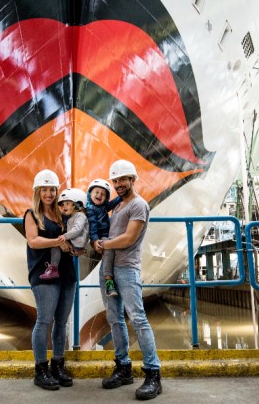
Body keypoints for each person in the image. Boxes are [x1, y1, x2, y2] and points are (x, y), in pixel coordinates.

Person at [94, 160, 162, 400]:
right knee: (115, 319)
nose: (118, 184)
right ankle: (123, 367)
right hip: (109, 270)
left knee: (138, 318)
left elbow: (129, 238)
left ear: (133, 179)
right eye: (115, 180)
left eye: (122, 179)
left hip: (127, 269)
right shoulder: (118, 206)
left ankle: (153, 374)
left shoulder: (138, 205)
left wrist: (103, 244)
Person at [24, 169, 79, 390]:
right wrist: (59, 242)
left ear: (57, 191)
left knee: (62, 322)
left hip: (66, 273)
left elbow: (75, 235)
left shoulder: (63, 214)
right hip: (43, 274)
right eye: (44, 189)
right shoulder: (32, 214)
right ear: (37, 191)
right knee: (44, 321)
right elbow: (33, 241)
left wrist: (76, 248)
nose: (48, 194)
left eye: (52, 190)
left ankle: (57, 365)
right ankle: (41, 370)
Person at [39, 188, 89, 280]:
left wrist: (64, 237)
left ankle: (53, 268)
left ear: (77, 205)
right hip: (74, 243)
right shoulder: (71, 217)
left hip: (76, 243)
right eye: (62, 205)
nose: (64, 207)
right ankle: (53, 268)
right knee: (56, 245)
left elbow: (77, 229)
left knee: (55, 245)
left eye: (67, 203)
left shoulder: (80, 216)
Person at [86, 179, 122, 296]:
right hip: (100, 237)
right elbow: (92, 226)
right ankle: (108, 282)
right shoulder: (90, 209)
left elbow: (112, 204)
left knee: (112, 251)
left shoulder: (103, 207)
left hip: (107, 236)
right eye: (96, 192)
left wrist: (121, 197)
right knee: (109, 251)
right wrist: (95, 240)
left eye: (103, 194)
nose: (99, 195)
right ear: (90, 194)